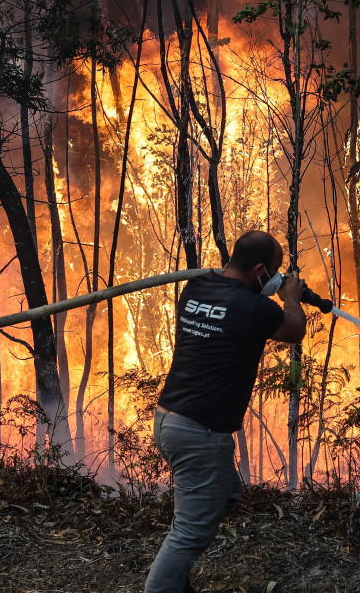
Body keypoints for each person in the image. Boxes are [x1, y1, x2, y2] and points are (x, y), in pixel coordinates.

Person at [144, 231, 306, 593]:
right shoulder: (256, 309)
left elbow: (230, 301)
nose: (276, 278)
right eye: (274, 272)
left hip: (168, 419)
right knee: (188, 534)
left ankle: (174, 582)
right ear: (261, 270)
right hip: (200, 434)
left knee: (226, 493)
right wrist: (291, 297)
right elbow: (294, 330)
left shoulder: (197, 287)